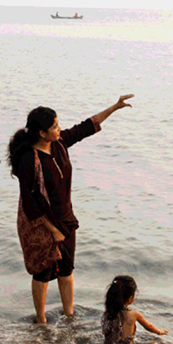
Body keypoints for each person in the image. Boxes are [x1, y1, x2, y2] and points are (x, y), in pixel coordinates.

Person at [7, 95, 134, 324]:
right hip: (43, 223)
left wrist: (114, 107)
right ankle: (41, 320)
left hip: (66, 218)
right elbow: (30, 201)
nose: (59, 129)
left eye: (58, 124)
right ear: (42, 133)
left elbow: (86, 127)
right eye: (54, 126)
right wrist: (51, 229)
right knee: (43, 273)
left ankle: (69, 316)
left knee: (66, 270)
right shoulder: (29, 159)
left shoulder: (59, 144)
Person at [101, 275, 168, 344]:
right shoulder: (133, 314)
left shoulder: (108, 312)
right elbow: (149, 326)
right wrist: (159, 331)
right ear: (130, 298)